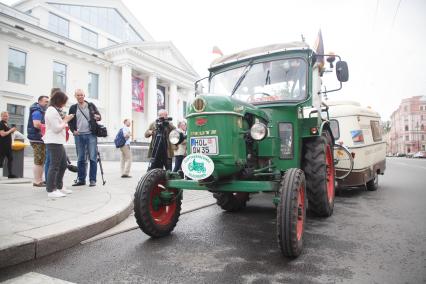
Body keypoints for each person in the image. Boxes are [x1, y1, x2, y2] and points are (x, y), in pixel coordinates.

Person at [43, 91, 74, 198]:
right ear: (59, 100)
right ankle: (51, 190)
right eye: (64, 101)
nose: (64, 104)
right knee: (54, 166)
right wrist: (66, 120)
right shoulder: (51, 111)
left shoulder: (54, 110)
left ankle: (59, 186)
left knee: (63, 165)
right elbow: (56, 128)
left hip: (57, 141)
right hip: (53, 141)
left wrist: (64, 120)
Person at [68, 89, 101, 187]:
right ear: (75, 96)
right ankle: (81, 180)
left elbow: (99, 117)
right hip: (79, 136)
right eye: (78, 95)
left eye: (81, 95)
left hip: (91, 134)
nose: (80, 97)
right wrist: (73, 130)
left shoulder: (91, 105)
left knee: (93, 158)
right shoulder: (73, 108)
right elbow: (70, 121)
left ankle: (92, 180)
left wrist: (97, 117)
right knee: (81, 158)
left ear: (84, 95)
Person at [27, 95, 49, 187]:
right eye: (46, 101)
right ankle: (37, 181)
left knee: (40, 160)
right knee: (39, 160)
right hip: (37, 139)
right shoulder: (37, 111)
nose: (47, 103)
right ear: (40, 102)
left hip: (38, 138)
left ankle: (39, 180)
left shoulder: (40, 110)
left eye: (48, 101)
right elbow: (36, 124)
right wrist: (49, 127)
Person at [44, 88, 61, 184]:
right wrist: (65, 120)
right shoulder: (51, 108)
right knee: (52, 162)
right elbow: (56, 127)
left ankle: (50, 182)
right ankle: (50, 183)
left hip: (52, 137)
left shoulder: (52, 107)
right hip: (52, 138)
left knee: (51, 161)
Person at [0, 111, 17, 178]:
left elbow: (7, 133)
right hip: (2, 145)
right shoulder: (1, 124)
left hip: (8, 145)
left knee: (10, 158)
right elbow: (2, 134)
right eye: (4, 116)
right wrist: (11, 130)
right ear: (1, 116)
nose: (6, 117)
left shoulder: (6, 124)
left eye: (7, 116)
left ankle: (10, 174)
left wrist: (12, 131)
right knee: (1, 161)